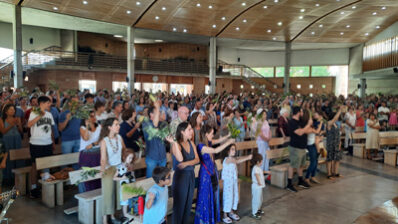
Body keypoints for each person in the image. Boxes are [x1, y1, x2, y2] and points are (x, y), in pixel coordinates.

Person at [195, 124, 235, 224]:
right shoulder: (201, 146)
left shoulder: (208, 142)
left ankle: (211, 218)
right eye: (212, 134)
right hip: (205, 174)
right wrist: (229, 142)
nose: (213, 136)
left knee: (213, 195)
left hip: (212, 171)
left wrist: (228, 136)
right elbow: (216, 150)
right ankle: (205, 220)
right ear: (206, 134)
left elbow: (218, 141)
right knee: (205, 196)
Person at [166, 122, 199, 224]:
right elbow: (180, 159)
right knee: (179, 206)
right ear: (182, 132)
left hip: (190, 176)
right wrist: (174, 142)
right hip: (181, 178)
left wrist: (186, 164)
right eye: (189, 129)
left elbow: (197, 159)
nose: (192, 131)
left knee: (188, 204)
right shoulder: (177, 145)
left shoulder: (191, 143)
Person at [27, 96, 55, 198]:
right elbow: (29, 125)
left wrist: (52, 142)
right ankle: (33, 187)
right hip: (36, 144)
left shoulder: (50, 114)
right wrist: (39, 115)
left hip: (47, 143)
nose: (49, 104)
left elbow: (50, 128)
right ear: (42, 103)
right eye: (48, 103)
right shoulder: (34, 112)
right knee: (35, 165)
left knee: (46, 165)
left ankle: (46, 186)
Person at [99, 118, 125, 224]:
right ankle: (105, 220)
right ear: (109, 127)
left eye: (118, 124)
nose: (118, 126)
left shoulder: (119, 137)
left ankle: (113, 217)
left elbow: (124, 152)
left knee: (117, 193)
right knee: (108, 194)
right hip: (109, 169)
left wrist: (127, 163)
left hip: (119, 168)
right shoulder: (104, 141)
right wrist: (102, 170)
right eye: (116, 124)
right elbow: (103, 159)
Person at [221, 144, 252, 224]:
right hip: (228, 183)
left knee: (234, 196)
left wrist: (247, 157)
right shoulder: (227, 159)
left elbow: (237, 159)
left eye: (234, 149)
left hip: (233, 182)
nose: (234, 151)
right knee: (228, 197)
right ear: (228, 151)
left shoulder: (232, 158)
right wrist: (247, 157)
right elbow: (237, 161)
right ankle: (225, 215)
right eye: (232, 149)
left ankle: (231, 212)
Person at [286, 106, 312, 193]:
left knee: (301, 165)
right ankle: (289, 184)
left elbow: (307, 130)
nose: (302, 113)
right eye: (301, 112)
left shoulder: (300, 121)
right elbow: (300, 132)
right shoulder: (292, 122)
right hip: (295, 147)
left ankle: (300, 180)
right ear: (298, 112)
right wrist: (307, 125)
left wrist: (308, 125)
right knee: (293, 165)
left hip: (302, 147)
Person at [142, 100, 167, 178]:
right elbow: (154, 126)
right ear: (151, 114)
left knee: (162, 179)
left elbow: (166, 137)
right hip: (152, 157)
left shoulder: (162, 124)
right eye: (157, 112)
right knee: (150, 180)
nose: (159, 114)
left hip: (163, 156)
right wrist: (157, 107)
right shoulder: (146, 123)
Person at [114, 149, 139, 223]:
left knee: (130, 200)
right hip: (124, 187)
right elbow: (114, 178)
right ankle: (125, 215)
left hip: (130, 185)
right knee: (125, 202)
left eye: (131, 158)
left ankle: (128, 214)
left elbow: (132, 175)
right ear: (124, 157)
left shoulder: (130, 165)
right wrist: (121, 178)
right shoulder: (119, 167)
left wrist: (134, 180)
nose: (130, 160)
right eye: (129, 158)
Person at [79, 110, 101, 192]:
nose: (94, 118)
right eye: (91, 116)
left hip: (97, 154)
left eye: (94, 116)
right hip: (87, 155)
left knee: (98, 176)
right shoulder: (82, 128)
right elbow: (86, 138)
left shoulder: (99, 126)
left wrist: (93, 144)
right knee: (88, 177)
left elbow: (102, 138)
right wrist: (88, 126)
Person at [0, 104, 23, 183]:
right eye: (10, 109)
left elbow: (21, 131)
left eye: (13, 109)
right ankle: (7, 178)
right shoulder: (1, 119)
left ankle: (16, 177)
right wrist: (11, 125)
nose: (13, 111)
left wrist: (19, 125)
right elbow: (3, 131)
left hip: (16, 139)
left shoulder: (17, 118)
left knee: (17, 157)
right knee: (8, 158)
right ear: (6, 111)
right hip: (7, 140)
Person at [59, 96, 81, 169]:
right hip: (67, 140)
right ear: (69, 103)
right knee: (65, 160)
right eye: (74, 102)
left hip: (78, 139)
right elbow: (60, 128)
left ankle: (76, 178)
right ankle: (64, 178)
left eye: (77, 103)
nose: (76, 104)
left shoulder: (80, 113)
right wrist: (67, 119)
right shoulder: (64, 113)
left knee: (77, 161)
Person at [305, 111, 323, 184]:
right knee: (313, 162)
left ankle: (313, 176)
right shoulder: (308, 128)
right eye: (310, 120)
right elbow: (317, 131)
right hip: (310, 146)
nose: (312, 120)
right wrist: (321, 123)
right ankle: (307, 177)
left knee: (316, 162)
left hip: (313, 145)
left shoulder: (312, 126)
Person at [326, 107, 343, 179]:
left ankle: (336, 172)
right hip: (331, 144)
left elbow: (338, 134)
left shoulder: (336, 124)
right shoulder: (329, 123)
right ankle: (329, 174)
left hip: (336, 143)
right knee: (330, 159)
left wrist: (339, 143)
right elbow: (335, 118)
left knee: (337, 158)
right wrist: (340, 111)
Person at [256, 109, 271, 174]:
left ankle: (266, 171)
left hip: (266, 141)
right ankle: (260, 172)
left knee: (267, 156)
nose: (265, 115)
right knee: (262, 157)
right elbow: (260, 133)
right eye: (264, 114)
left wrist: (269, 137)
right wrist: (266, 139)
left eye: (265, 114)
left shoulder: (266, 122)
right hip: (261, 142)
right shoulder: (258, 122)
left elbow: (269, 130)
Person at [251, 152, 265, 220]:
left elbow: (260, 173)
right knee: (256, 199)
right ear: (257, 162)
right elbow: (256, 175)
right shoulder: (255, 168)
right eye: (261, 161)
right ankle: (254, 212)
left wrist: (267, 172)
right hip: (256, 186)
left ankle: (258, 209)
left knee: (260, 199)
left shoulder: (258, 167)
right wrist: (259, 182)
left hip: (259, 186)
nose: (262, 162)